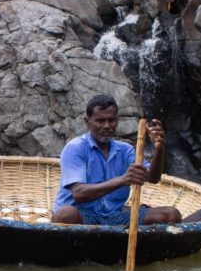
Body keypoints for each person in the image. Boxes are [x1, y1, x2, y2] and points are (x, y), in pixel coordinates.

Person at [52, 94, 182, 226]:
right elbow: (79, 193)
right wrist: (122, 180)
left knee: (171, 215)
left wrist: (159, 150)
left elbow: (153, 178)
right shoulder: (76, 148)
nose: (107, 126)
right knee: (65, 215)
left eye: (111, 120)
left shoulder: (125, 150)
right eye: (100, 121)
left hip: (114, 216)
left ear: (117, 121)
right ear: (87, 122)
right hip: (83, 214)